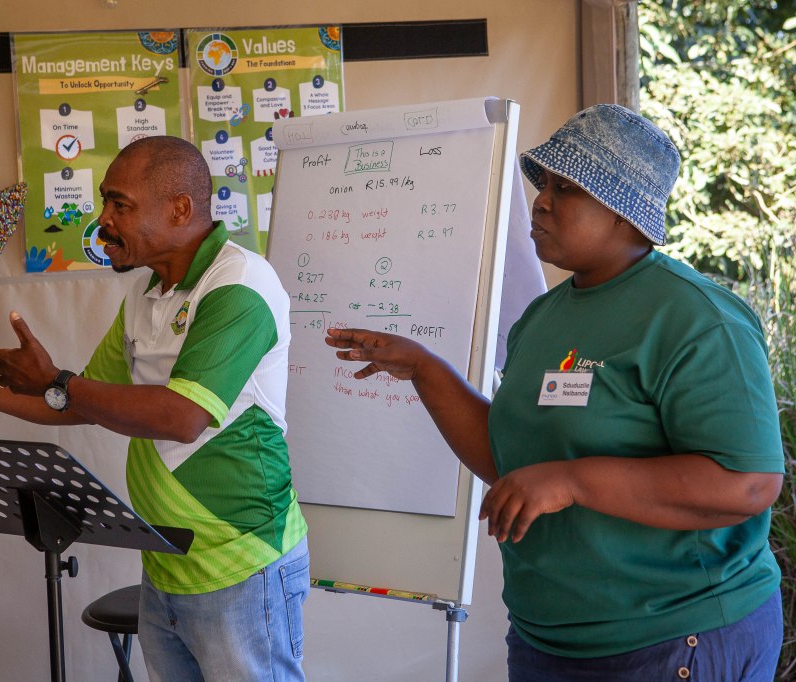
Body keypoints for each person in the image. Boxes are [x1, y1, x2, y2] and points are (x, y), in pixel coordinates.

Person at [325, 104, 784, 681]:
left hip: (672, 637)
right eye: (542, 184)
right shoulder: (541, 318)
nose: (540, 201)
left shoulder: (698, 319)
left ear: (623, 210)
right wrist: (423, 368)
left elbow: (748, 483)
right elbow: (512, 464)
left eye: (565, 188)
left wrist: (572, 481)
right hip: (546, 639)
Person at [0, 136, 310, 682]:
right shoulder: (145, 294)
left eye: (119, 204)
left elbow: (182, 417)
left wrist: (57, 380)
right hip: (168, 565)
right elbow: (73, 402)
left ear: (180, 209)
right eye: (105, 202)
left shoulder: (240, 284)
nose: (103, 219)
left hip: (244, 564)